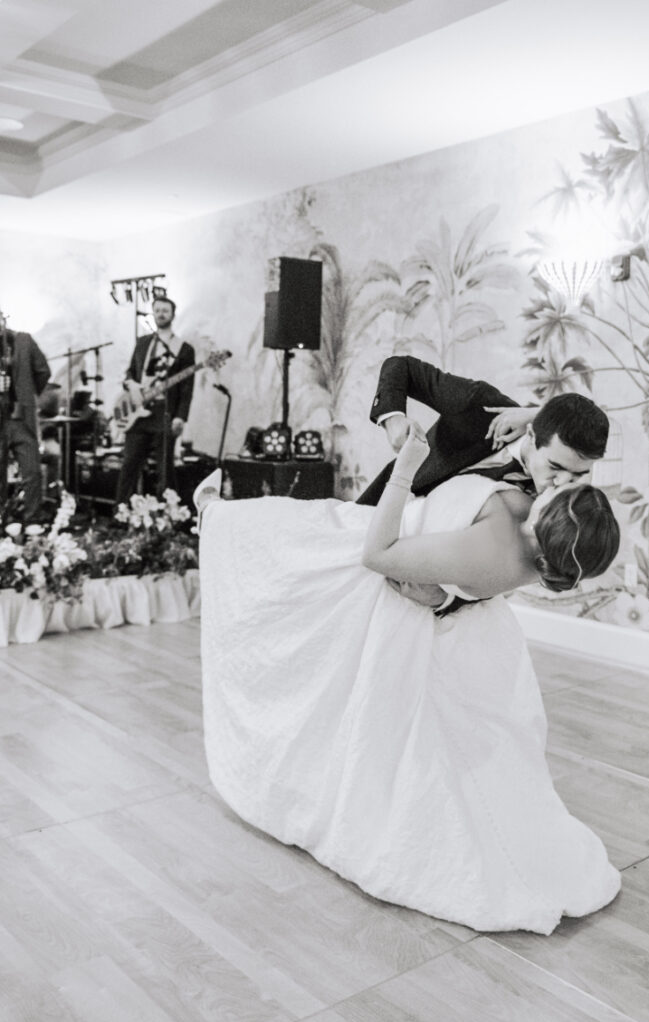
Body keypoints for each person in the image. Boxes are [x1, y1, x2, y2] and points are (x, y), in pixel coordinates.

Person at [195, 413, 622, 935]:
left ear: (550, 525)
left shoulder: (496, 548)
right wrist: (531, 415)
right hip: (429, 584)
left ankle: (214, 517)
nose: (559, 485)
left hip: (375, 556)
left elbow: (380, 555)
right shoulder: (542, 514)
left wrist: (404, 469)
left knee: (283, 550)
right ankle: (217, 515)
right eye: (566, 477)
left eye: (566, 488)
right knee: (287, 531)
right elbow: (557, 436)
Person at [357, 354, 609, 505]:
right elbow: (401, 367)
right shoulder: (478, 405)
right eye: (555, 467)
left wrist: (537, 413)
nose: (563, 483)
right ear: (532, 435)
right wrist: (393, 419)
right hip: (377, 512)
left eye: (577, 476)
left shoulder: (558, 500)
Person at [115, 296, 194, 503]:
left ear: (173, 315)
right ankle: (121, 512)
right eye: (157, 310)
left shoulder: (184, 349)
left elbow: (187, 388)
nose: (161, 314)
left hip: (164, 412)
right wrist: (132, 385)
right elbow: (130, 373)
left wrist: (181, 417)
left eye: (165, 310)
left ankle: (169, 515)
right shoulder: (142, 343)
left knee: (165, 468)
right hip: (138, 413)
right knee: (129, 464)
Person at [0, 308, 51, 521]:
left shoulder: (24, 340)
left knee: (32, 473)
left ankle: (32, 522)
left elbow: (43, 371)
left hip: (21, 419)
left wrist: (27, 394)